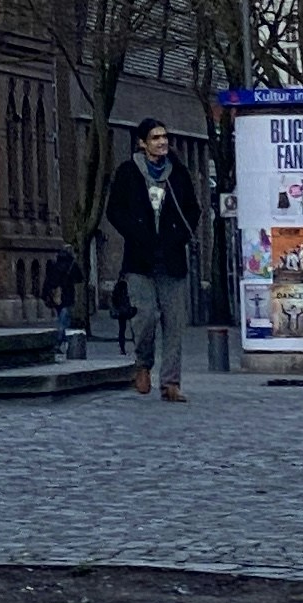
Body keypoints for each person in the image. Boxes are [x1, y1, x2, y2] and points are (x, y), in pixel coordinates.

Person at [103, 122, 204, 401]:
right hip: (139, 261)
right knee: (144, 318)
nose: (162, 142)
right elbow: (114, 210)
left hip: (171, 259)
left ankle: (171, 383)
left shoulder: (178, 173)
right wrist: (135, 232)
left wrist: (180, 235)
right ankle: (143, 364)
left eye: (165, 137)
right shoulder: (128, 173)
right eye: (155, 138)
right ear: (142, 143)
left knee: (174, 323)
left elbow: (193, 210)